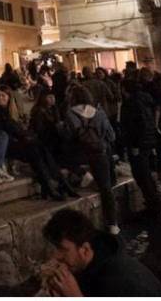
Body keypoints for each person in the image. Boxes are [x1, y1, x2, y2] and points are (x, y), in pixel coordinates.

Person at [40, 208, 161, 296]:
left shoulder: (119, 282)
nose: (56, 256)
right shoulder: (92, 261)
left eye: (63, 249)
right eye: (55, 248)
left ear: (85, 249)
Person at [0, 89, 76, 200]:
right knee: (35, 150)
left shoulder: (8, 111)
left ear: (9, 97)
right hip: (7, 145)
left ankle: (56, 183)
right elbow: (0, 129)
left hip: (17, 142)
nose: (0, 97)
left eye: (3, 95)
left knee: (40, 149)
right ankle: (54, 185)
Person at [57, 86, 119, 234]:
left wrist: (60, 127)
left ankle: (84, 174)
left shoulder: (71, 114)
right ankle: (112, 224)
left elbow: (68, 136)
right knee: (106, 189)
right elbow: (111, 136)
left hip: (81, 155)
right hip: (100, 154)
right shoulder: (99, 113)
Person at [119, 80, 161, 217]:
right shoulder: (146, 98)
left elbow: (136, 125)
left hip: (139, 143)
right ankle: (153, 202)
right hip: (149, 139)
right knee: (146, 173)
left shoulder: (131, 103)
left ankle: (153, 206)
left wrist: (135, 144)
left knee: (141, 174)